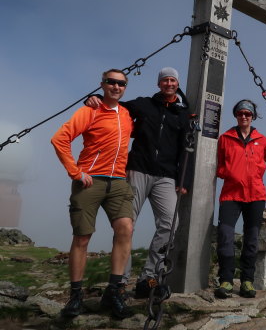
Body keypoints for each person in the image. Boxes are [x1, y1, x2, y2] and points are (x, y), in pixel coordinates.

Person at [86, 67, 191, 299]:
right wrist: (93, 98)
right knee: (126, 225)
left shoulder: (183, 114)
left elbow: (186, 148)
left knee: (170, 224)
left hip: (166, 176)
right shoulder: (143, 104)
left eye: (172, 80)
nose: (169, 83)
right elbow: (114, 105)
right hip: (137, 170)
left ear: (177, 83)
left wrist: (184, 178)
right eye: (165, 80)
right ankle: (120, 281)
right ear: (159, 84)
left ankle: (148, 278)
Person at [51, 69, 135, 319]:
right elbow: (59, 139)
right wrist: (76, 173)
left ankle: (114, 291)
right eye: (111, 82)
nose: (116, 87)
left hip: (119, 181)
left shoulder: (128, 115)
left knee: (125, 229)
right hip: (90, 181)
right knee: (82, 238)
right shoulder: (90, 110)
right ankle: (75, 297)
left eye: (121, 83)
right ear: (103, 85)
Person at [214, 99, 266, 299]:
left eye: (247, 114)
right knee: (225, 235)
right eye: (240, 113)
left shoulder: (262, 140)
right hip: (231, 194)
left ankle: (247, 282)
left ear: (252, 117)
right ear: (236, 115)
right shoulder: (225, 138)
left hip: (256, 195)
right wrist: (228, 172)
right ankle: (225, 279)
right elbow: (216, 163)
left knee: (251, 240)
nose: (244, 116)